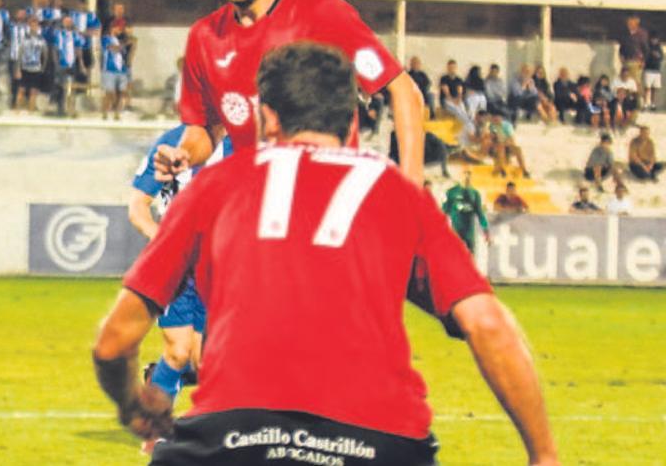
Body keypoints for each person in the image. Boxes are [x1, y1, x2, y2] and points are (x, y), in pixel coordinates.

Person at [93, 43, 556, 466]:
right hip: (379, 442)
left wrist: (133, 404)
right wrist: (544, 456)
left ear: (267, 118)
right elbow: (488, 325)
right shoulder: (398, 192)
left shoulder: (216, 186)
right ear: (352, 121)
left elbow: (113, 340)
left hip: (235, 437)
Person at [156, 0, 426, 187]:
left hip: (330, 205)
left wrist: (412, 197)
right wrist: (184, 154)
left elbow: (404, 92)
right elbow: (206, 129)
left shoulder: (323, 14)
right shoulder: (204, 37)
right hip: (258, 207)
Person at [128, 124, 232, 448]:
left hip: (218, 270)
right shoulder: (171, 143)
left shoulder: (242, 146)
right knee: (177, 350)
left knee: (204, 362)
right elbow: (137, 207)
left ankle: (161, 381)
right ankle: (154, 433)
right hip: (176, 271)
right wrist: (167, 243)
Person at [443, 169, 491, 254]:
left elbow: (480, 213)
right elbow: (443, 212)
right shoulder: (451, 192)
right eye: (464, 174)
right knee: (455, 254)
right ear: (459, 176)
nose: (466, 177)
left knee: (470, 254)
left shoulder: (475, 193)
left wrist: (486, 231)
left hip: (469, 231)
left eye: (468, 175)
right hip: (456, 229)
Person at [51, 15, 85, 117]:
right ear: (63, 23)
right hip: (61, 64)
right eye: (66, 22)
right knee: (60, 87)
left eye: (69, 22)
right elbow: (54, 49)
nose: (68, 24)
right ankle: (60, 108)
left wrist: (81, 63)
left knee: (72, 87)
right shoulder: (58, 33)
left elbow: (78, 50)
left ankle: (72, 109)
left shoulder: (75, 35)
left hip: (72, 64)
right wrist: (56, 63)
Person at [14, 17, 48, 113]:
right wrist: (18, 69)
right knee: (21, 89)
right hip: (25, 67)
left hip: (36, 68)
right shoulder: (24, 39)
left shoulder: (41, 40)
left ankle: (31, 110)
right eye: (32, 25)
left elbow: (45, 55)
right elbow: (19, 54)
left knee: (34, 90)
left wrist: (43, 67)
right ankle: (17, 110)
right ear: (29, 26)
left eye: (36, 25)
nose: (34, 27)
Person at [488, 112, 530, 178]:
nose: (496, 119)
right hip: (498, 146)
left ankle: (524, 170)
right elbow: (492, 138)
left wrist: (504, 142)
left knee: (518, 149)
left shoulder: (507, 126)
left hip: (507, 145)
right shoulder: (492, 126)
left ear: (500, 118)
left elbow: (512, 139)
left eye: (497, 117)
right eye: (494, 118)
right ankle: (503, 170)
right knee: (500, 147)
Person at [101, 33, 129, 120]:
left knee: (122, 92)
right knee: (110, 93)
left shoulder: (124, 43)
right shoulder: (107, 38)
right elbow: (111, 48)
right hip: (109, 71)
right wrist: (123, 45)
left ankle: (117, 113)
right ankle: (105, 112)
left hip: (122, 71)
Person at [619, 16, 649, 95]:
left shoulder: (642, 34)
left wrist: (643, 61)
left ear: (636, 23)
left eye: (631, 23)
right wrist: (621, 55)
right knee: (626, 81)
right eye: (628, 23)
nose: (629, 25)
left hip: (636, 61)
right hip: (626, 60)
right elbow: (622, 46)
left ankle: (638, 101)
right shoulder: (625, 34)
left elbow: (646, 49)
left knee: (636, 82)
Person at [644, 33, 662, 111]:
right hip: (648, 70)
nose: (654, 41)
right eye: (653, 39)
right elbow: (645, 57)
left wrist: (657, 55)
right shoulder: (648, 47)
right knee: (647, 88)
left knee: (654, 88)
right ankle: (645, 103)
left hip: (656, 71)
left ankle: (652, 104)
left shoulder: (659, 48)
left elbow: (661, 57)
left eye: (655, 39)